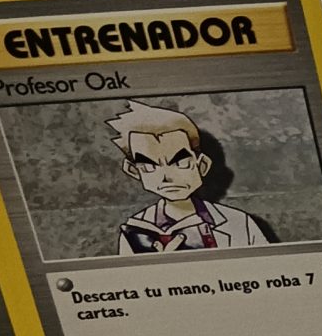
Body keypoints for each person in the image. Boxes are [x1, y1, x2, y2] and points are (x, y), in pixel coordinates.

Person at [108, 102, 276, 253]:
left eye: (180, 163)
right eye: (149, 166)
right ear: (134, 171)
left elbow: (268, 270)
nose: (166, 177)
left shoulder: (239, 222)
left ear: (201, 165)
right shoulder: (135, 230)